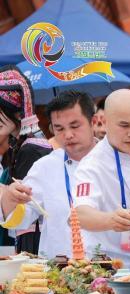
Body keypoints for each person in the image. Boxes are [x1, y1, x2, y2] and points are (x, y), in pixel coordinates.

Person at [0, 91, 98, 258]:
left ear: (94, 122)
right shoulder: (45, 167)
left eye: (75, 126)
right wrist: (10, 198)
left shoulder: (116, 161)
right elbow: (20, 219)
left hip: (114, 271)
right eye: (59, 128)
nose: (68, 135)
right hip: (59, 271)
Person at [73, 89, 130, 272]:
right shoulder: (92, 165)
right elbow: (79, 215)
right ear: (104, 122)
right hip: (108, 269)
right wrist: (109, 220)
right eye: (124, 125)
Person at [0, 65, 52, 253]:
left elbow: (24, 202)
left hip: (35, 236)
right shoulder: (24, 144)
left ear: (15, 112)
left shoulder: (32, 148)